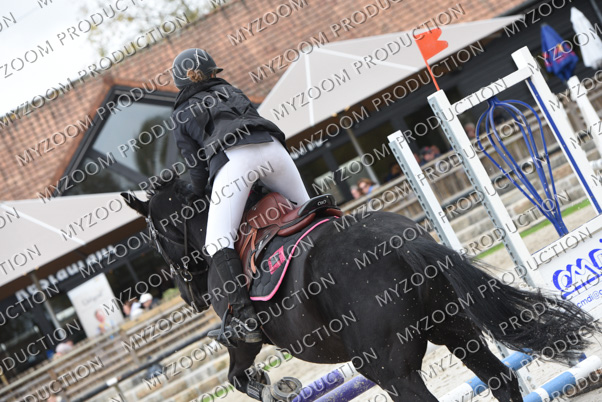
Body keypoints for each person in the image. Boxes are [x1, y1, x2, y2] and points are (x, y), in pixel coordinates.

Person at [170, 49, 310, 344]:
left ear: (181, 81)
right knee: (307, 207)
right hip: (273, 148)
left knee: (217, 242)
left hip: (236, 159)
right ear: (212, 72)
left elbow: (197, 169)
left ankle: (246, 321)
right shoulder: (231, 90)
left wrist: (199, 194)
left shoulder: (180, 112)